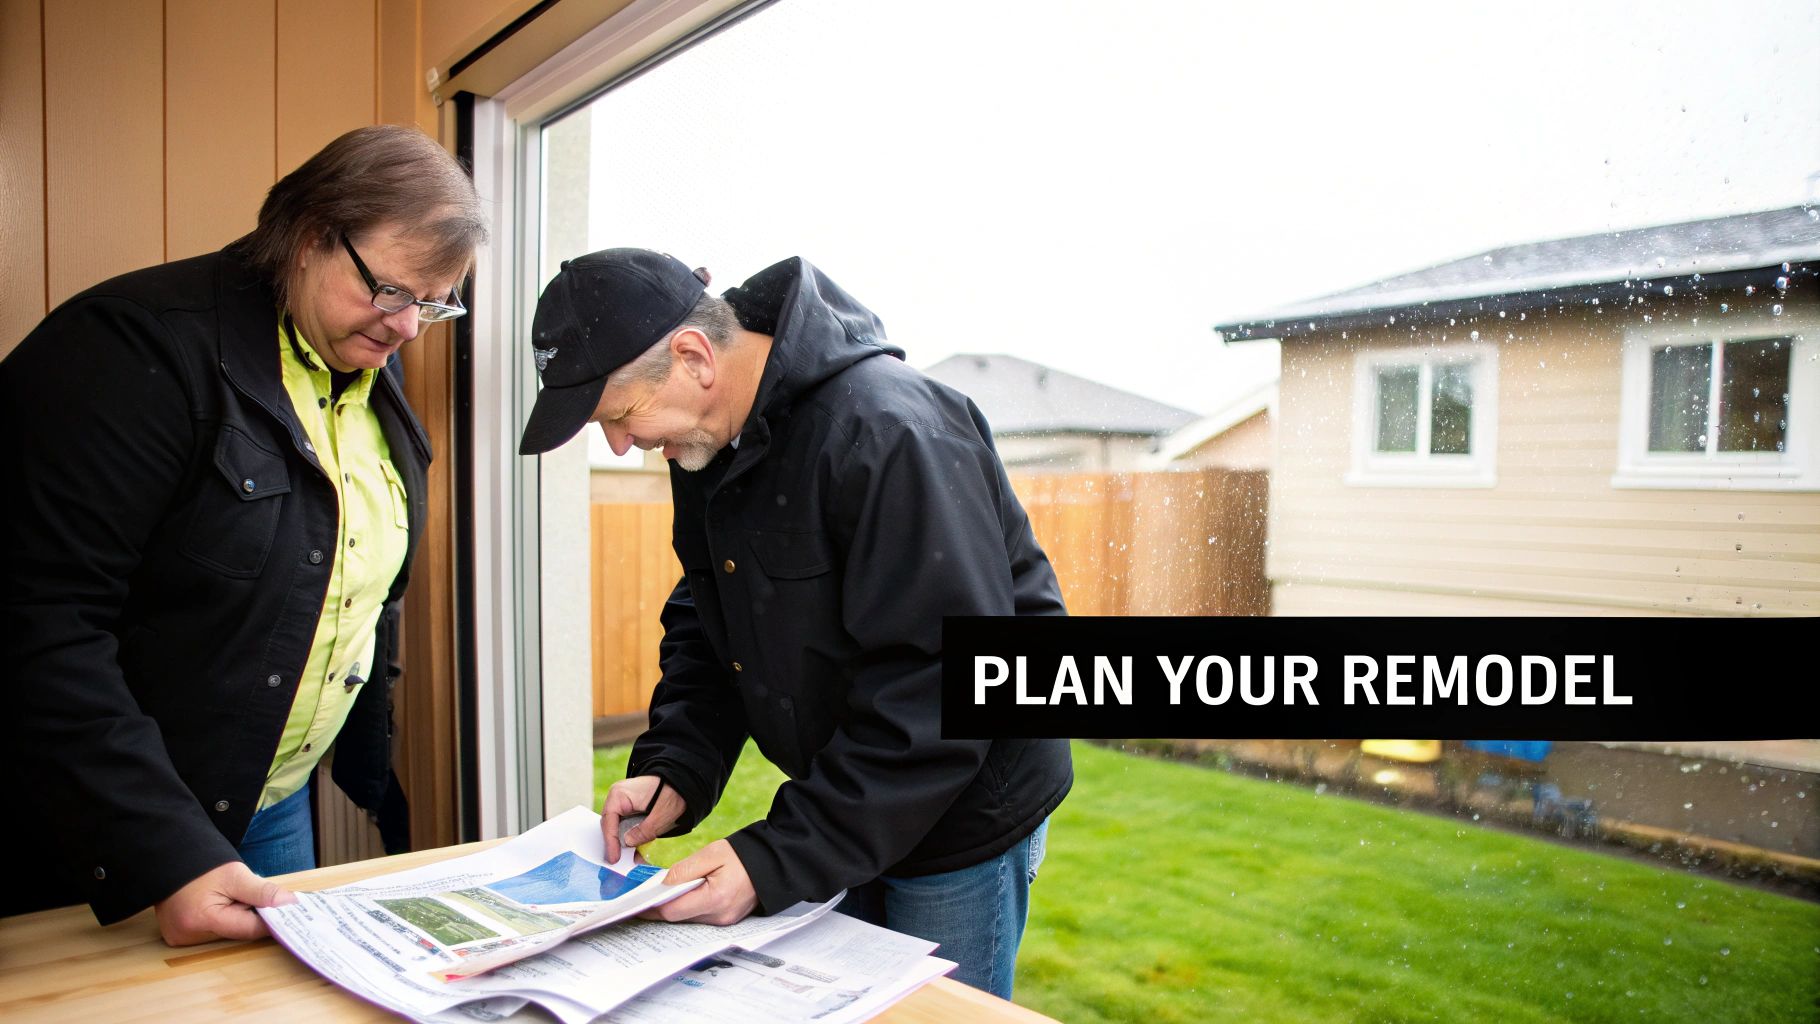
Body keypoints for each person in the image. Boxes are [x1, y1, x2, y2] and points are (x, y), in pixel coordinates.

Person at [517, 249, 1072, 998]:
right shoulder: (708, 443)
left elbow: (942, 689)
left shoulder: (888, 430)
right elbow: (712, 621)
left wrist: (774, 859)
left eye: (619, 416)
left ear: (692, 356)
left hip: (962, 810)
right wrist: (677, 764)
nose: (621, 445)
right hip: (850, 796)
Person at [0, 125, 486, 945]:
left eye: (435, 305)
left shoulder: (369, 355)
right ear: (304, 239)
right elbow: (36, 620)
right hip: (105, 821)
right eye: (396, 293)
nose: (410, 331)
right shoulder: (129, 347)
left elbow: (357, 570)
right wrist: (164, 850)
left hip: (271, 800)